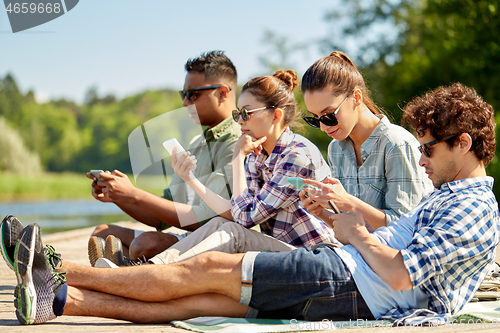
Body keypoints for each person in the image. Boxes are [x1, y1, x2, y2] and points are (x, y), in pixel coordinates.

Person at [9, 84, 500, 326]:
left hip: (348, 279)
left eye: (429, 148)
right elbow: (398, 246)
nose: (421, 157)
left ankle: (57, 269)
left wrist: (354, 232)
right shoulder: (453, 196)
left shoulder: (473, 208)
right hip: (345, 275)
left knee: (203, 269)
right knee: (200, 300)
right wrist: (347, 217)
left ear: (462, 143)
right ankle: (58, 302)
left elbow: (398, 274)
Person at [117, 69, 337, 266]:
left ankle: (154, 273)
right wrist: (190, 179)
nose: (240, 121)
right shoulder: (257, 156)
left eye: (246, 113)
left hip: (317, 257)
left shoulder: (297, 156)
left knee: (233, 232)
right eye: (237, 114)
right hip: (285, 254)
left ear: (276, 115)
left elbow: (245, 219)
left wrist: (236, 157)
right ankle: (151, 268)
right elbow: (234, 211)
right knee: (219, 223)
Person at [86, 51, 241, 264]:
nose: (185, 103)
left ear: (223, 93)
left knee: (144, 245)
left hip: (223, 244)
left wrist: (135, 194)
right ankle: (125, 274)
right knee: (102, 232)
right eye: (183, 94)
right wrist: (120, 196)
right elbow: (161, 216)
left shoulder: (238, 141)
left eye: (193, 94)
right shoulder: (198, 143)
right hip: (193, 238)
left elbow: (206, 218)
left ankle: (122, 276)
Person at [299, 51, 433, 230]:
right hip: (356, 252)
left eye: (328, 115)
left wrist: (347, 201)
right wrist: (320, 212)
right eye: (315, 119)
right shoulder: (336, 149)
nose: (323, 127)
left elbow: (407, 226)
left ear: (356, 97)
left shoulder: (396, 144)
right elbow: (353, 225)